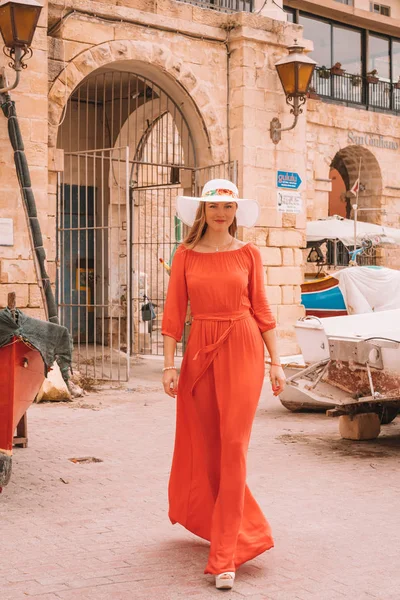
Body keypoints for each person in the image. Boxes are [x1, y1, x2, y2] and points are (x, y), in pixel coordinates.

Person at [161, 179, 286, 590]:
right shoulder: (185, 255)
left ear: (236, 212)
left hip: (244, 346)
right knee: (209, 448)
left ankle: (225, 557)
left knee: (234, 447)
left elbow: (263, 309)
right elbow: (175, 312)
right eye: (214, 205)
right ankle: (226, 526)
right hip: (199, 352)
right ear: (203, 209)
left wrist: (276, 363)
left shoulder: (248, 253)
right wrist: (168, 366)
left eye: (228, 207)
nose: (221, 213)